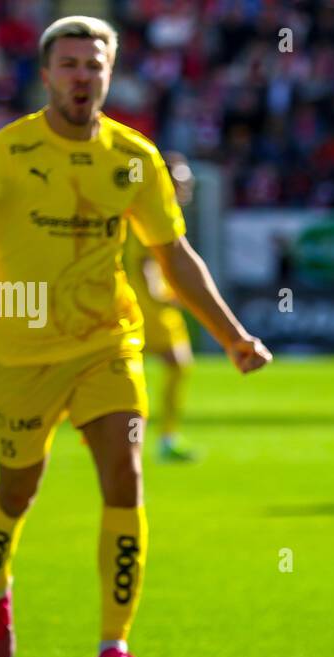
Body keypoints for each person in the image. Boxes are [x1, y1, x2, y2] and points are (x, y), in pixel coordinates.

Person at [0, 16, 272, 657]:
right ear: (47, 75)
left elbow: (176, 256)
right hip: (22, 356)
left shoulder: (134, 159)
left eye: (95, 65)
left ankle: (114, 647)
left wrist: (231, 336)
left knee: (126, 477)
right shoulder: (9, 152)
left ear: (109, 76)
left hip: (108, 344)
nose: (83, 75)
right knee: (18, 490)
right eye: (71, 64)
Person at [122, 151, 199, 462]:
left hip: (150, 305)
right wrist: (161, 295)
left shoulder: (156, 210)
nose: (187, 185)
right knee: (175, 364)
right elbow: (144, 263)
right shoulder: (150, 211)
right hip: (145, 307)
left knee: (166, 367)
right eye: (181, 179)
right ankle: (159, 437)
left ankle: (152, 436)